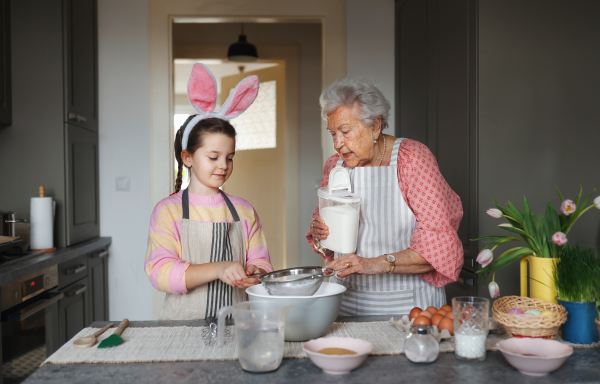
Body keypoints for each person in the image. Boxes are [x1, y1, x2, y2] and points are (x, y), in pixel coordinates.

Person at [306, 77, 463, 315]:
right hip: (346, 302)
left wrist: (372, 264)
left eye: (346, 131)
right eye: (333, 133)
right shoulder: (335, 167)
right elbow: (329, 247)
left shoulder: (412, 159)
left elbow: (437, 247)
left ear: (375, 126)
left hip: (411, 305)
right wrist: (321, 237)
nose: (338, 143)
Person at [145, 64, 273, 320]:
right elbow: (159, 272)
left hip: (238, 325)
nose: (224, 165)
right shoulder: (168, 211)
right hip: (182, 330)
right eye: (213, 157)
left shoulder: (244, 210)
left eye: (230, 157)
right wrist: (219, 269)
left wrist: (254, 274)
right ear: (188, 158)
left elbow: (264, 266)